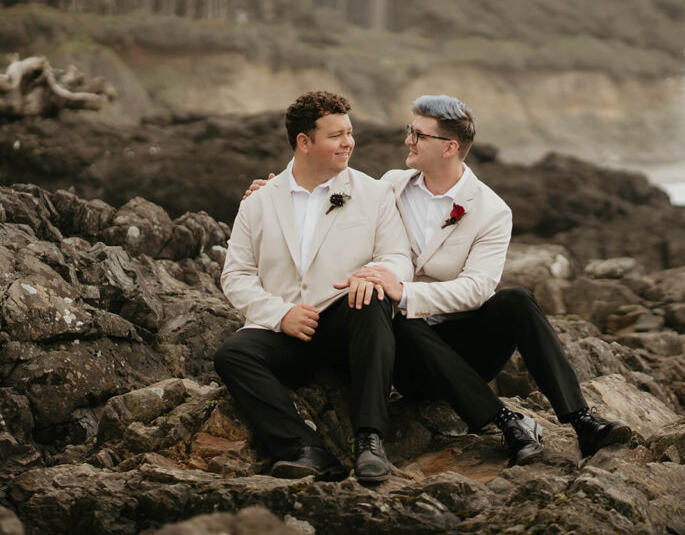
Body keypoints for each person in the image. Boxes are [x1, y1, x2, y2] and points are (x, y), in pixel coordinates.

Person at [246, 95, 632, 465]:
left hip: (466, 345)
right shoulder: (391, 185)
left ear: (449, 147)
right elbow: (327, 188)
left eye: (418, 135)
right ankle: (504, 422)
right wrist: (278, 194)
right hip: (403, 353)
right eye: (409, 130)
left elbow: (479, 288)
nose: (407, 140)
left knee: (517, 300)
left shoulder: (491, 210)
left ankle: (582, 421)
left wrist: (408, 292)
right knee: (400, 319)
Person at [215, 90, 413, 483]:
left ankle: (369, 439)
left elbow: (397, 257)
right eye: (336, 135)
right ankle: (306, 449)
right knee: (232, 355)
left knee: (371, 297)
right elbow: (235, 275)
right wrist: (280, 314)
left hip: (348, 325)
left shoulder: (374, 193)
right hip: (288, 330)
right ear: (304, 142)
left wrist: (372, 274)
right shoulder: (258, 202)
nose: (348, 143)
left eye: (350, 132)